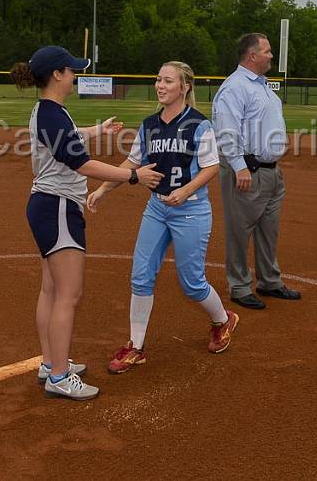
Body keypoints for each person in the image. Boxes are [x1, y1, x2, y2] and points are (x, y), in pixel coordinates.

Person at [14, 45, 163, 400]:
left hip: (47, 205)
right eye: (71, 70)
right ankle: (60, 376)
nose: (75, 75)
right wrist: (133, 176)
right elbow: (82, 164)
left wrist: (98, 129)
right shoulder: (52, 114)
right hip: (59, 207)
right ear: (57, 75)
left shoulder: (48, 111)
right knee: (68, 293)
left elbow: (68, 136)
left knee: (51, 290)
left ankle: (51, 364)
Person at [87, 62, 239, 374]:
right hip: (157, 209)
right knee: (140, 274)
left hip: (190, 210)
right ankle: (136, 347)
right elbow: (132, 162)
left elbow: (211, 167)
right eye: (158, 79)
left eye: (168, 80)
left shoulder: (199, 124)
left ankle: (223, 320)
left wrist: (185, 191)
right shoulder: (149, 124)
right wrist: (103, 189)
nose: (161, 85)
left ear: (184, 87)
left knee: (192, 284)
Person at [211, 32, 301, 310]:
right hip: (247, 170)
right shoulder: (235, 87)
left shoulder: (263, 87)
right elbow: (226, 132)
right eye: (268, 51)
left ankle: (269, 281)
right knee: (240, 230)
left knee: (268, 230)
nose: (271, 55)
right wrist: (239, 166)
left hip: (271, 172)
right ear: (252, 55)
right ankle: (239, 286)